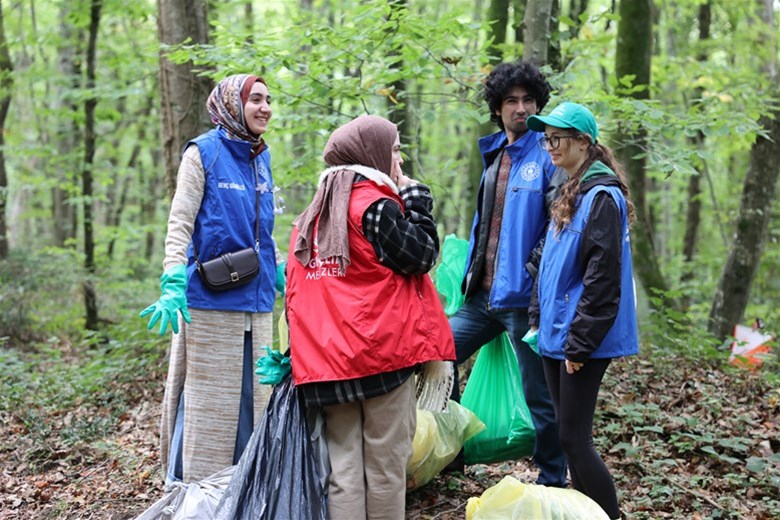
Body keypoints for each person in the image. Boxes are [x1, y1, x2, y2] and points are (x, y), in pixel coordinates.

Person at [285, 115, 456, 520]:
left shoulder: (309, 217)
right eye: (394, 148)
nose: (399, 158)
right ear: (373, 153)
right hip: (381, 357)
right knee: (385, 469)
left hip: (325, 365)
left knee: (342, 471)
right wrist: (416, 204)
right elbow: (421, 256)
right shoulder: (375, 206)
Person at [140, 73, 280, 485]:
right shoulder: (202, 154)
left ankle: (244, 494)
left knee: (253, 407)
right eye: (255, 99)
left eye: (269, 99)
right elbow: (180, 223)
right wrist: (172, 279)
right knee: (208, 410)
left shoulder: (262, 157)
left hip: (257, 310)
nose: (265, 107)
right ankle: (193, 497)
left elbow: (262, 232)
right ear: (232, 105)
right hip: (211, 305)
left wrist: (281, 274)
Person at [447, 61, 567, 487]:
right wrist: (467, 281)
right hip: (480, 297)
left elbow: (558, 225)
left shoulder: (548, 155)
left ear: (537, 105)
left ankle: (553, 479)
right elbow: (485, 225)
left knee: (540, 394)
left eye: (528, 100)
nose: (520, 108)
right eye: (511, 101)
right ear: (497, 108)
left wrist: (533, 277)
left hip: (523, 301)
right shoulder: (495, 153)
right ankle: (451, 459)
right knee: (436, 357)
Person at [526, 102, 638, 520]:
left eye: (558, 137)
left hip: (581, 338)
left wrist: (580, 344)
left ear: (584, 142)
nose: (550, 146)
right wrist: (537, 316)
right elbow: (551, 264)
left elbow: (603, 280)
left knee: (574, 438)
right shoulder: (570, 189)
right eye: (546, 138)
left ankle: (609, 515)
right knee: (567, 435)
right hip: (557, 332)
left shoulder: (602, 197)